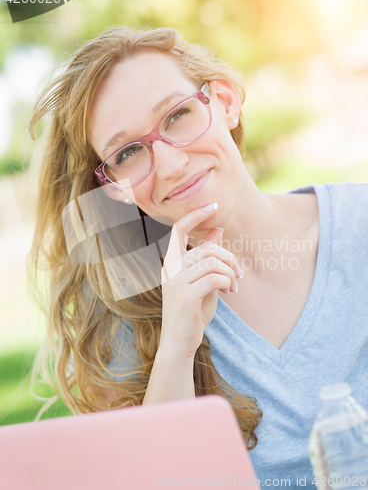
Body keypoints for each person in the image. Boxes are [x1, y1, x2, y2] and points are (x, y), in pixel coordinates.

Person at [27, 26, 368, 488]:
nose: (170, 165)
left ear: (225, 101)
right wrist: (178, 344)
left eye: (178, 115)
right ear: (113, 188)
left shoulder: (359, 226)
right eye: (128, 153)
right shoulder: (130, 322)